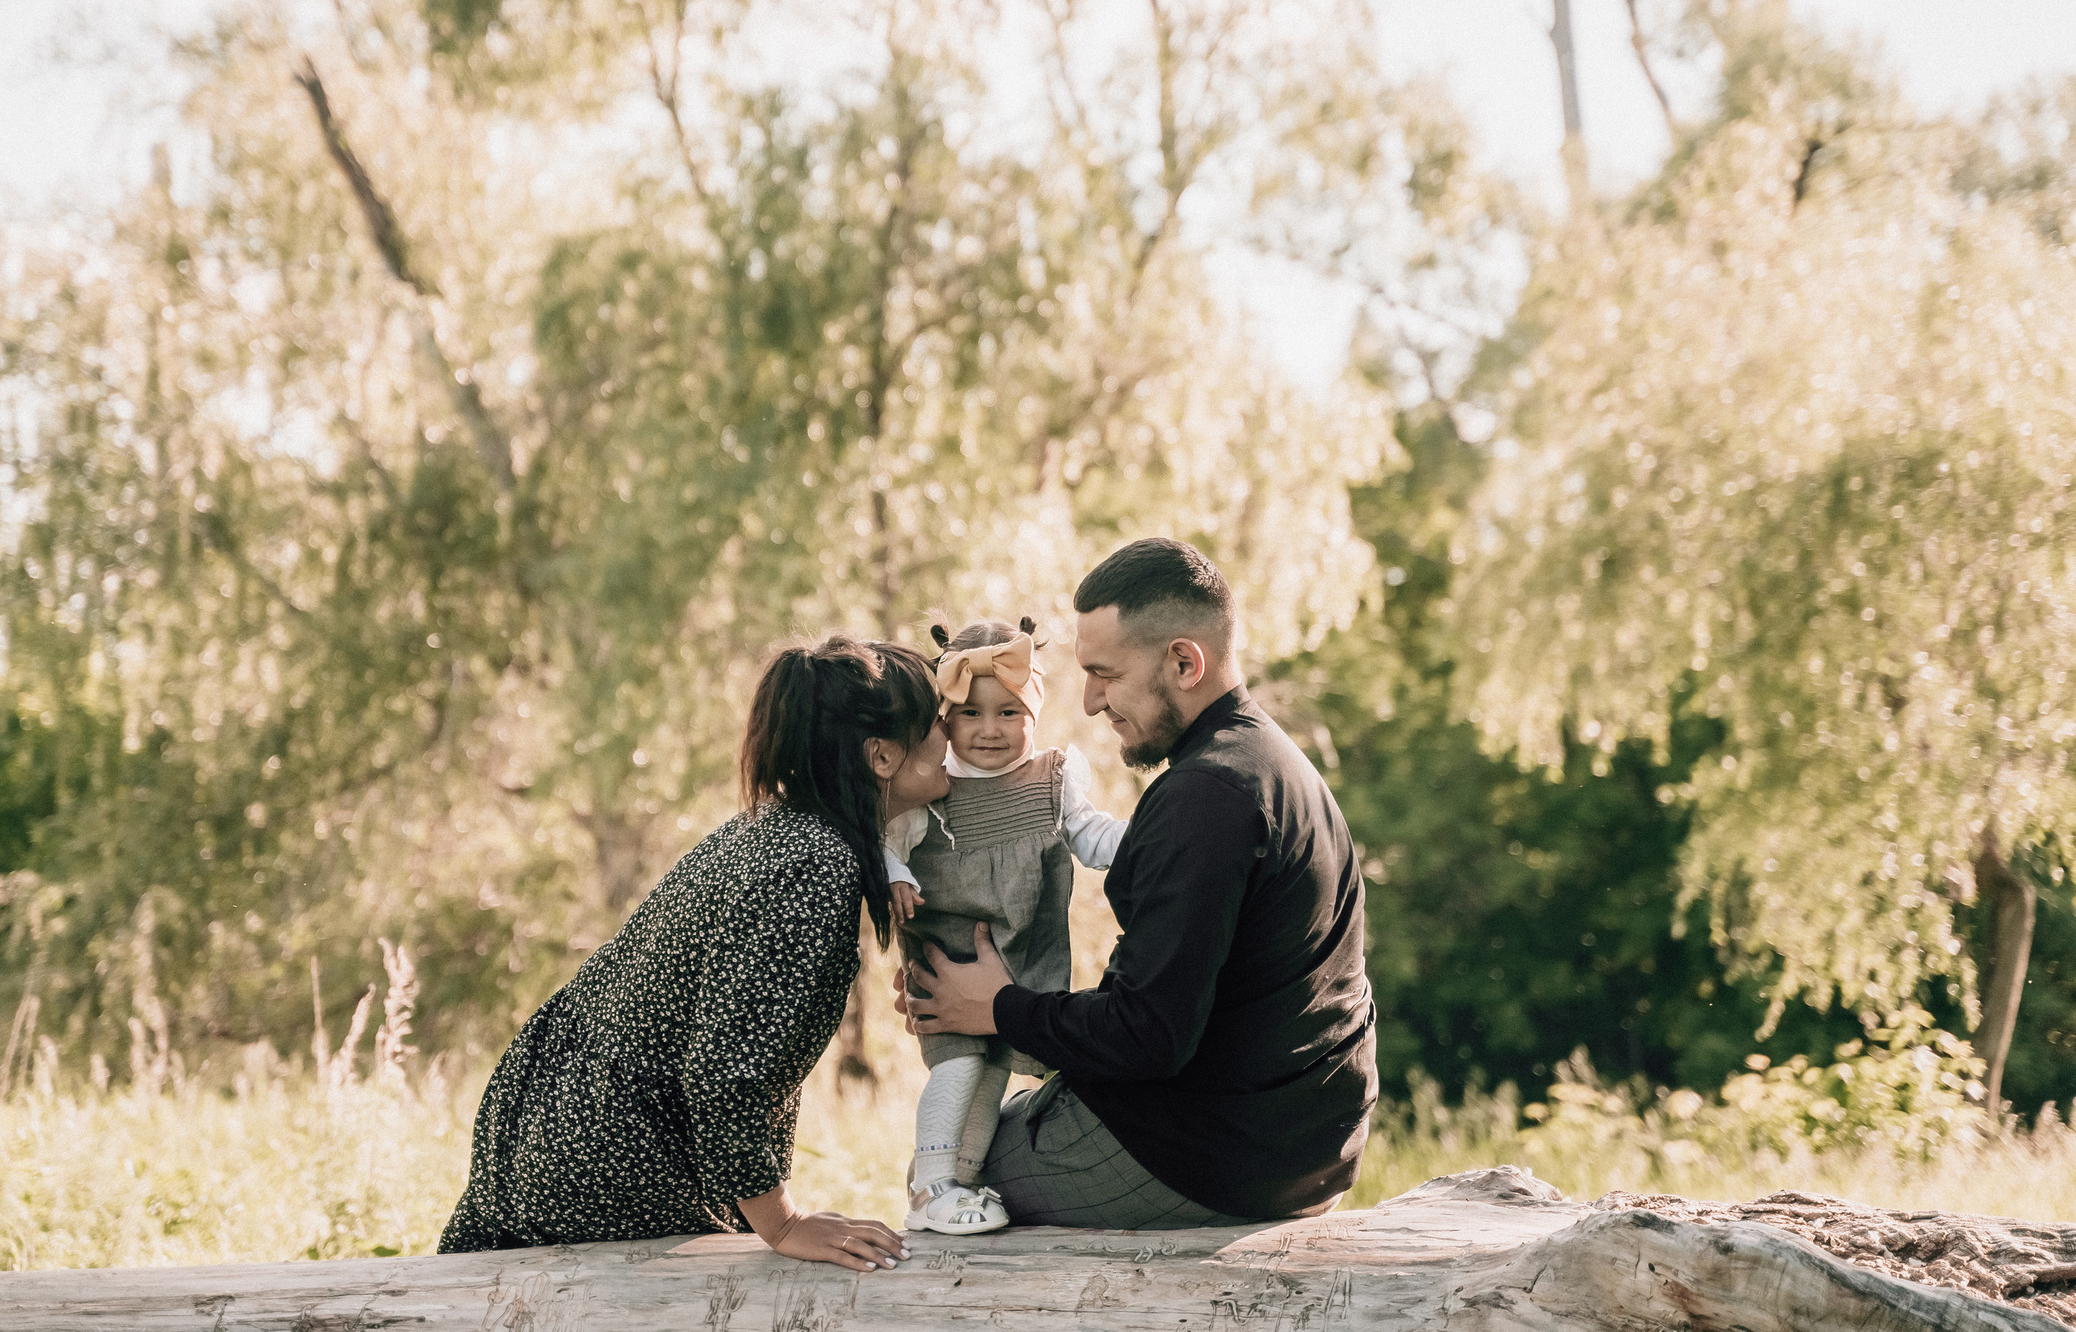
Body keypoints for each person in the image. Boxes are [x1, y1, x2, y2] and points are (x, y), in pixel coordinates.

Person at [896, 538, 1378, 1228]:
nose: (1091, 701)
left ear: (1183, 662)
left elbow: (1147, 1036)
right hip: (1310, 1141)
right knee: (973, 1128)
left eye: (1105, 674)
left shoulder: (1203, 800)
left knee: (950, 1174)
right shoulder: (1269, 759)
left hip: (1212, 1154)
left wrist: (998, 1007)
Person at [438, 635, 939, 1272]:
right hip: (605, 1164)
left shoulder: (778, 830)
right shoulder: (811, 868)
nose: (952, 733)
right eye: (937, 723)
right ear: (883, 756)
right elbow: (724, 1071)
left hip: (561, 1133)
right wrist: (783, 1224)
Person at [885, 617, 1127, 1235]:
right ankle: (930, 1185)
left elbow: (1092, 837)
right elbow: (883, 844)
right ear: (945, 720)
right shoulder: (932, 791)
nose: (989, 729)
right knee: (959, 1067)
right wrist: (894, 875)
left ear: (1033, 713)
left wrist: (1151, 837)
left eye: (1008, 713)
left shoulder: (1052, 780)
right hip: (949, 965)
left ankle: (956, 1183)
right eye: (970, 713)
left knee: (991, 1077)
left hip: (1023, 965)